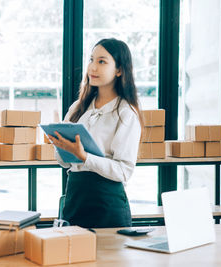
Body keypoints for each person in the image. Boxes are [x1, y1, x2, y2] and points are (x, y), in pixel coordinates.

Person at [48, 38, 143, 228]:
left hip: (107, 203)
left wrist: (84, 156)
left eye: (102, 61)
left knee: (108, 257)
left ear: (119, 70)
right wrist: (60, 146)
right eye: (91, 60)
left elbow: (124, 171)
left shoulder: (126, 113)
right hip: (75, 199)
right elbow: (65, 162)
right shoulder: (78, 107)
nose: (93, 67)